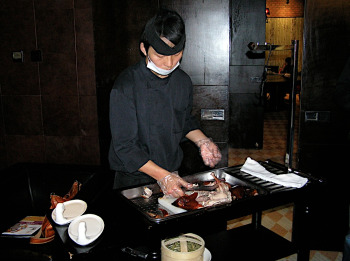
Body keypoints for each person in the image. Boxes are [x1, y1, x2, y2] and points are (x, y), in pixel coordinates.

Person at [108, 8, 222, 198]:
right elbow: (125, 147)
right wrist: (163, 176)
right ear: (144, 48)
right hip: (134, 179)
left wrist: (203, 141)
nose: (169, 64)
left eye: (176, 54)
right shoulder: (125, 86)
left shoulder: (182, 81)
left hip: (171, 172)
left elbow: (184, 121)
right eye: (160, 56)